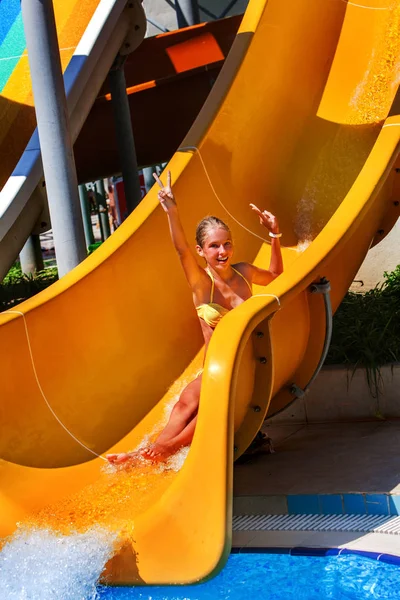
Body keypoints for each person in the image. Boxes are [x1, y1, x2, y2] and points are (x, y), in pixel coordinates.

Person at [107, 171, 283, 465]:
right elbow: (180, 249)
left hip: (246, 367)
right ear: (202, 251)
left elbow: (276, 275)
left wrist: (274, 235)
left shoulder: (245, 272)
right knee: (185, 403)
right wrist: (171, 211)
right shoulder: (202, 284)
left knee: (208, 407)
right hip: (216, 367)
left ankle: (164, 450)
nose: (222, 251)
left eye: (226, 244)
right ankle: (145, 454)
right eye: (214, 246)